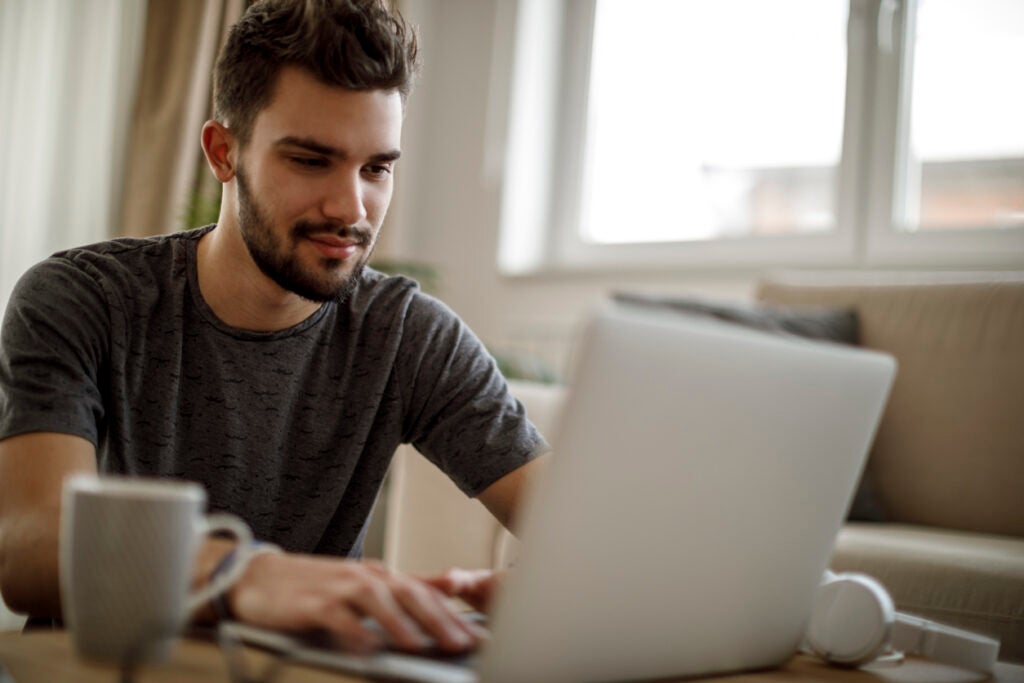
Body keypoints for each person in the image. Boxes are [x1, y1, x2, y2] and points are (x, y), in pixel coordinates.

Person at [0, 0, 548, 655]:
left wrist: (559, 583)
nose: (352, 207)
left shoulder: (409, 335)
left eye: (376, 167)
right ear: (223, 151)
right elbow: (27, 549)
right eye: (312, 160)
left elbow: (567, 522)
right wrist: (241, 575)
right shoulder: (83, 299)